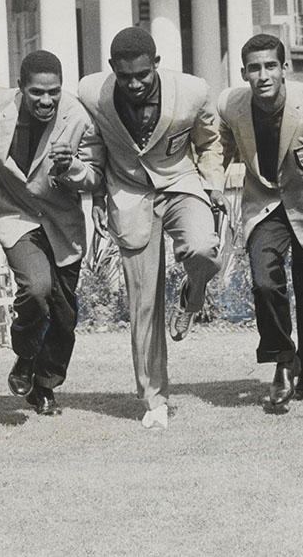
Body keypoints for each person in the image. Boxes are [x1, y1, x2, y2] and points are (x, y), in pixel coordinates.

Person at [77, 27, 226, 429]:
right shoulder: (92, 93)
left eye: (142, 74)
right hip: (127, 193)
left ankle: (192, 295)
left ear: (156, 64)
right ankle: (153, 399)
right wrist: (95, 199)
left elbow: (210, 142)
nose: (135, 83)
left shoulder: (192, 92)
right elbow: (93, 149)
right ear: (112, 70)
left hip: (180, 182)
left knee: (203, 249)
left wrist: (212, 185)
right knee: (143, 302)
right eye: (125, 76)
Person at [0, 50, 104, 416]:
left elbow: (95, 177)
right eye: (37, 92)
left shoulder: (80, 119)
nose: (46, 100)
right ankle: (24, 357)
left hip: (62, 223)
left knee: (64, 314)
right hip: (16, 216)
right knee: (36, 288)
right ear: (21, 87)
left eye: (53, 92)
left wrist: (72, 167)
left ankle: (45, 385)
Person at [217, 34, 303, 406]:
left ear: (284, 68)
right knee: (265, 282)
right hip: (264, 203)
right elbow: (220, 151)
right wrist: (208, 186)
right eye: (254, 68)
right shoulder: (231, 105)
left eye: (270, 66)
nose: (262, 75)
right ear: (244, 72)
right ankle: (282, 360)